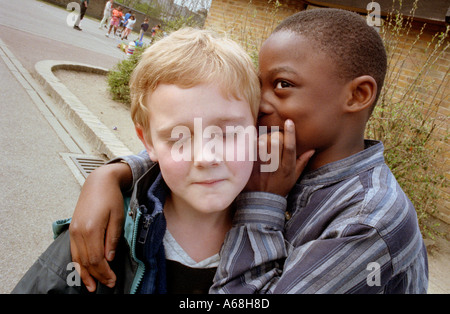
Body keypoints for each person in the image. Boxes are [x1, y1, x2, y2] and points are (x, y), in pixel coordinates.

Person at [67, 8, 429, 294]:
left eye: (282, 85)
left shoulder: (367, 222)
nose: (260, 103)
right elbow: (190, 146)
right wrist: (112, 174)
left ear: (357, 95)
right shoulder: (292, 148)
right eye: (260, 85)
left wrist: (261, 204)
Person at [12, 28, 264, 294]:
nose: (206, 157)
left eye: (228, 133)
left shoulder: (288, 233)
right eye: (179, 138)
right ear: (148, 142)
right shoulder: (101, 232)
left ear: (257, 127)